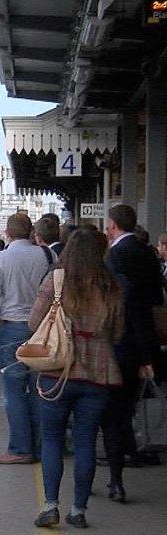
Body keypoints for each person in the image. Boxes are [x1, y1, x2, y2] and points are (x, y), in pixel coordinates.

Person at [29, 227, 124, 529]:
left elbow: (33, 322)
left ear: (68, 250)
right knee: (85, 442)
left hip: (57, 372)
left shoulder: (55, 281)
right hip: (98, 373)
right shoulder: (111, 286)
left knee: (53, 439)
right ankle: (78, 510)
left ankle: (50, 506)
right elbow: (118, 333)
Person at [0, 213, 51, 464]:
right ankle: (43, 447)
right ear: (31, 232)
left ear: (7, 234)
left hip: (12, 331)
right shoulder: (48, 256)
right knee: (39, 390)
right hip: (44, 331)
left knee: (14, 392)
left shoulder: (0, 259)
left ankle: (20, 449)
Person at [101, 204, 162, 502]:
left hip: (120, 344)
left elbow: (117, 307)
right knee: (129, 407)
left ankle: (116, 479)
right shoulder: (147, 251)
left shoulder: (115, 255)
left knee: (114, 413)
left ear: (112, 225)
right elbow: (156, 297)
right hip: (144, 341)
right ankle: (135, 451)